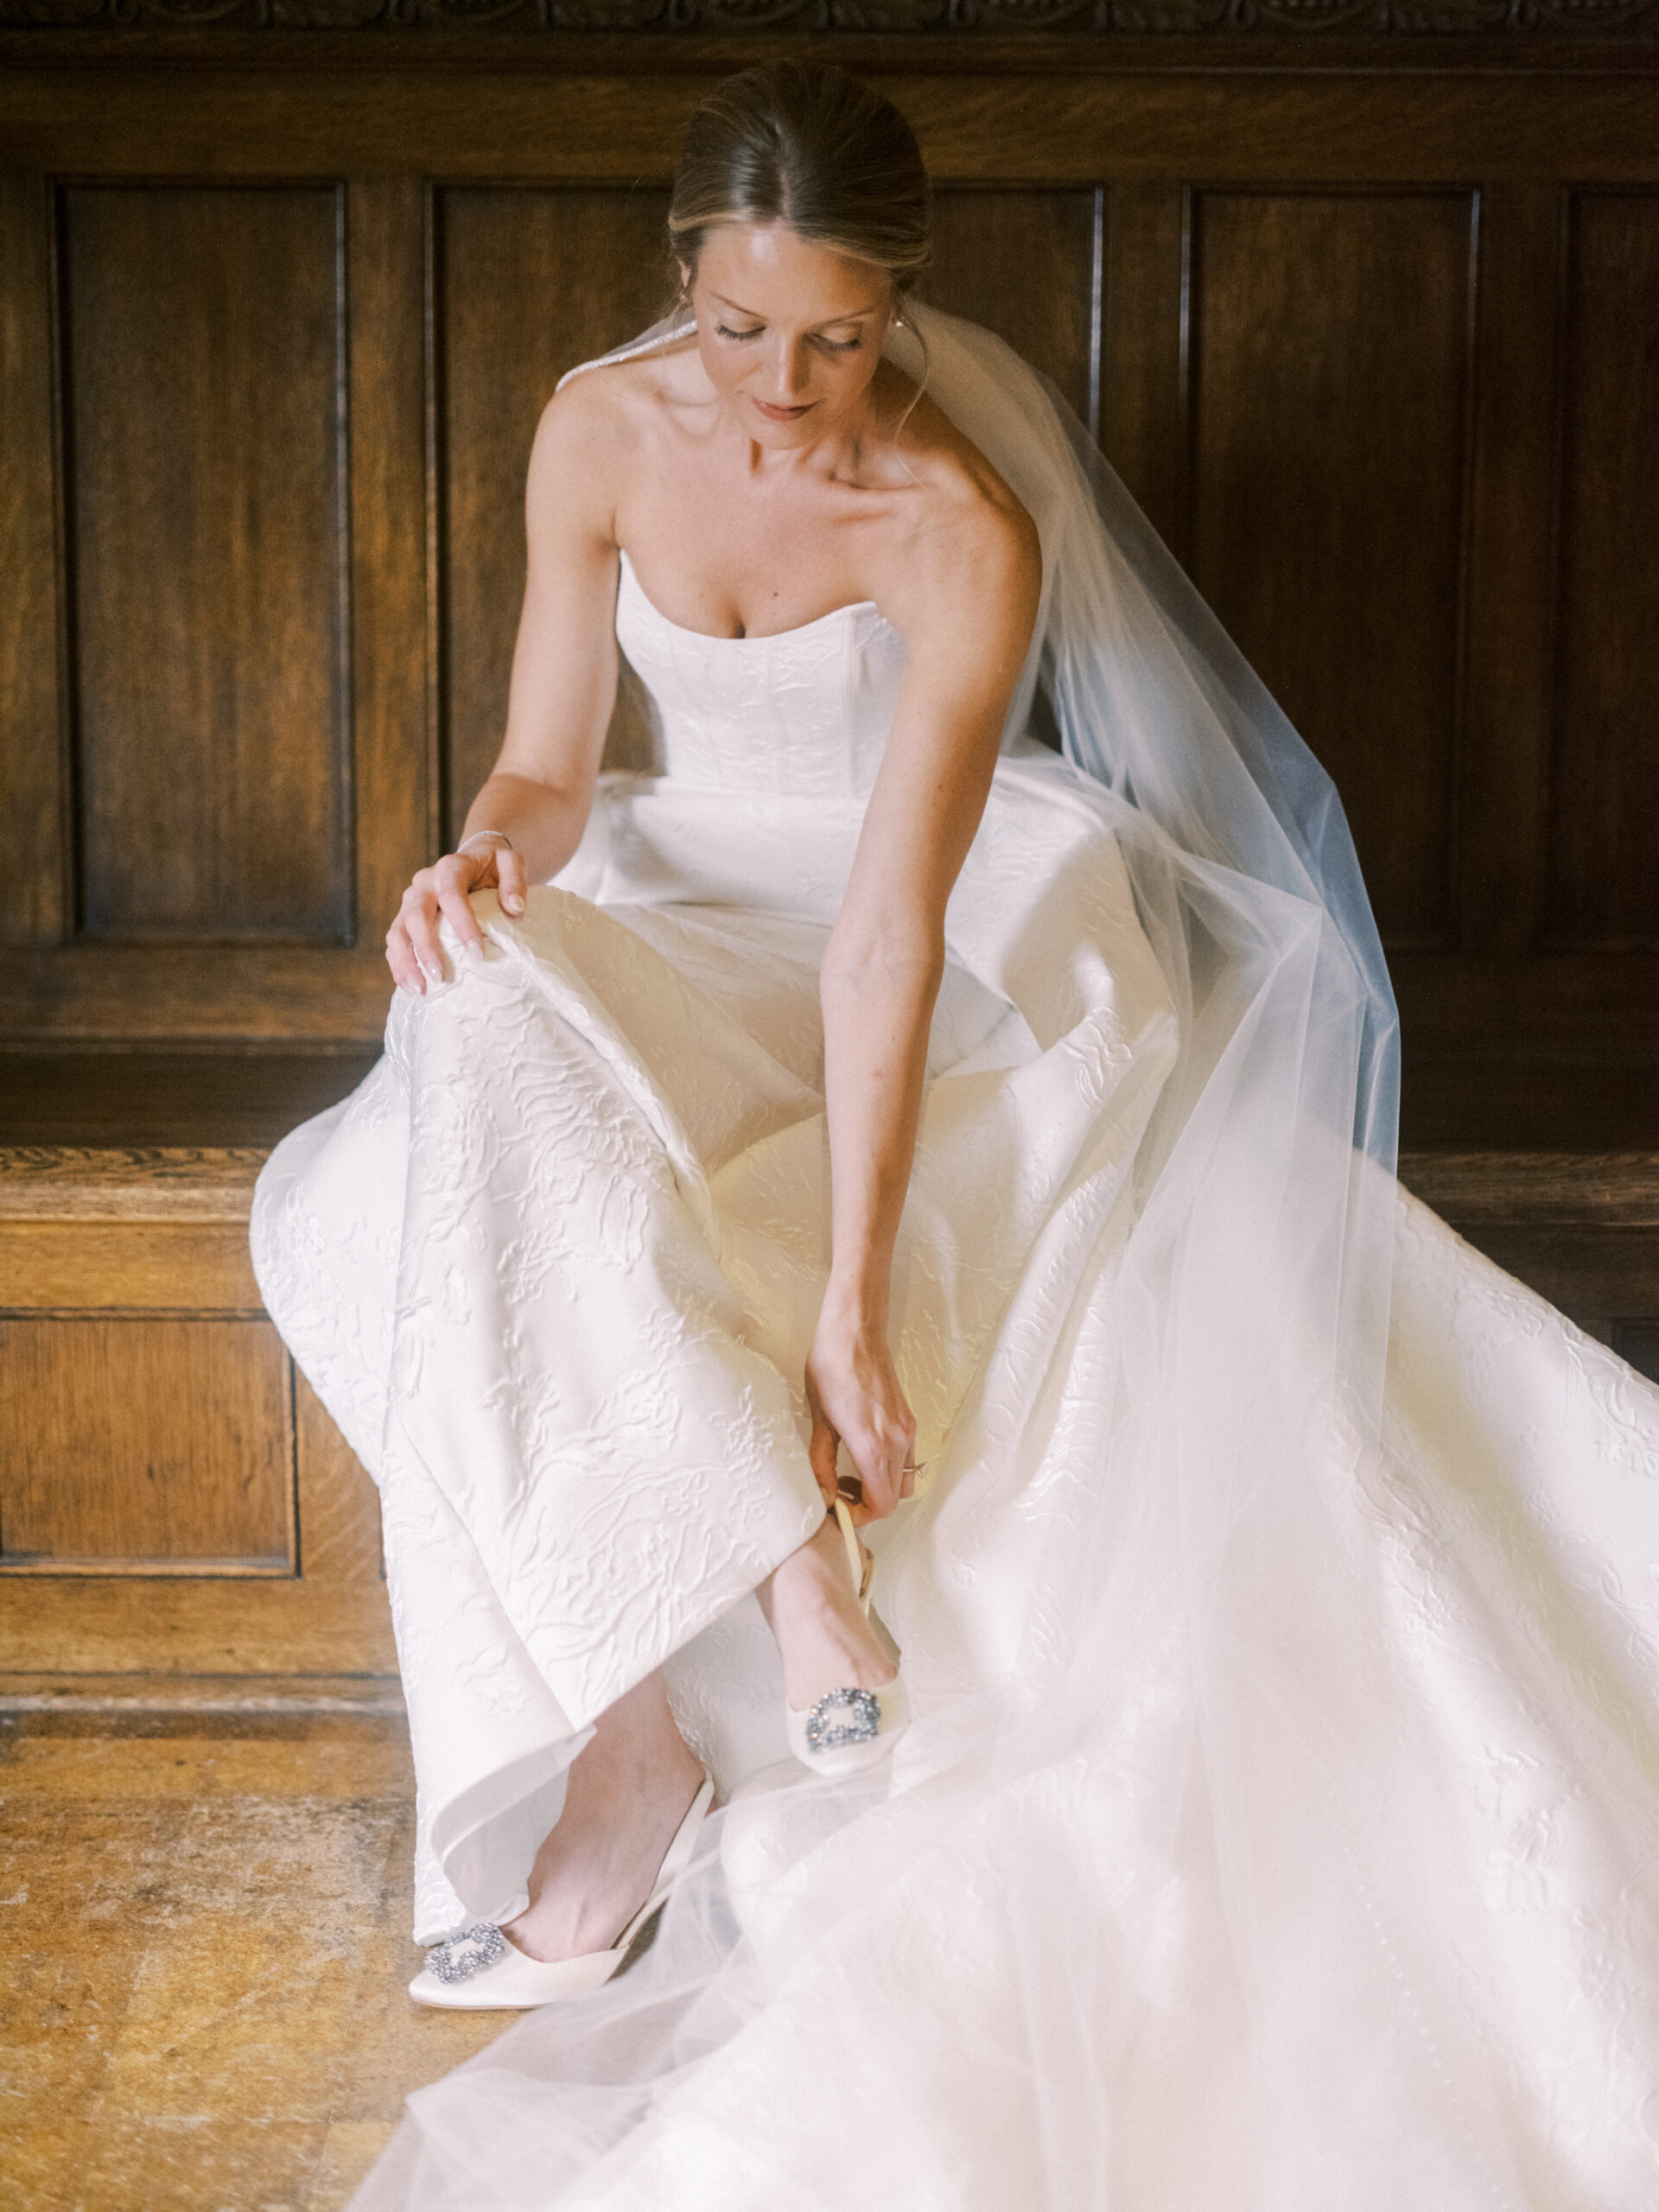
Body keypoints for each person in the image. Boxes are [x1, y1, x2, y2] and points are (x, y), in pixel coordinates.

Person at [253, 60, 1659, 2211]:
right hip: (663, 888)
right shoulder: (594, 431)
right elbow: (545, 768)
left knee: (514, 1128)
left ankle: (637, 1752)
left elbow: (887, 925)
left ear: (898, 308)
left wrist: (845, 1307)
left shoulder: (950, 525)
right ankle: (765, 1581)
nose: (784, 391)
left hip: (918, 933)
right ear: (682, 283)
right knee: (438, 1051)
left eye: (836, 337)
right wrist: (478, 860)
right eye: (739, 329)